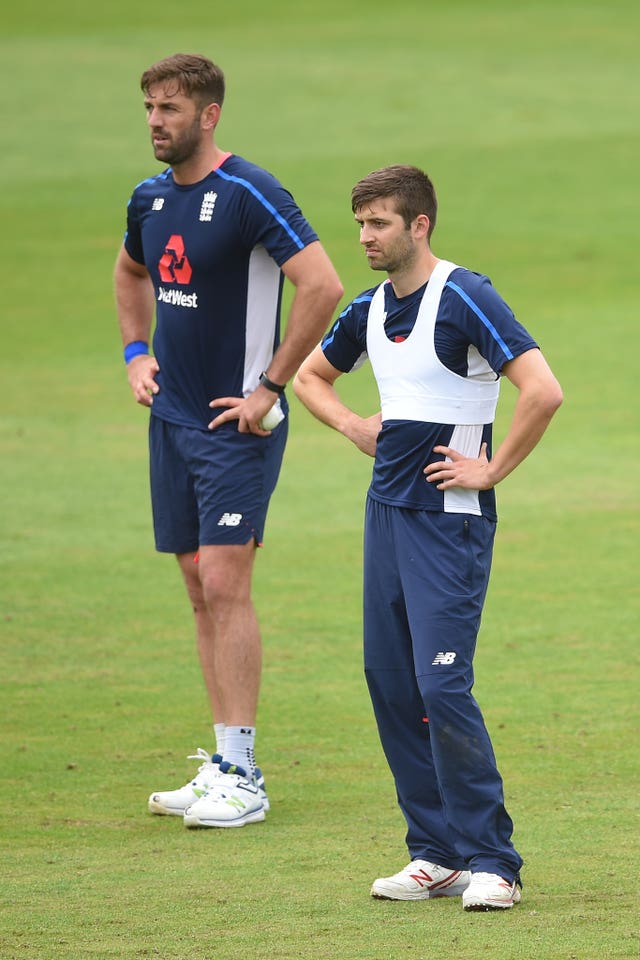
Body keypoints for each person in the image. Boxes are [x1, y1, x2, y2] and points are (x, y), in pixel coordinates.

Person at [293, 165, 562, 909]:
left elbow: (543, 389)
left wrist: (492, 468)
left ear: (420, 225)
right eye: (360, 224)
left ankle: (494, 863)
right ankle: (436, 852)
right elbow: (311, 379)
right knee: (392, 683)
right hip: (386, 516)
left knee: (442, 684)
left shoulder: (465, 295)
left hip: (449, 523)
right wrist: (353, 426)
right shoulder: (369, 308)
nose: (365, 238)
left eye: (379, 223)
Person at [114, 53, 343, 829]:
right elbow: (130, 272)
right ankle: (221, 761)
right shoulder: (148, 197)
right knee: (194, 584)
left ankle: (244, 777)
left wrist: (271, 386)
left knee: (224, 584)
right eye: (149, 106)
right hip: (171, 420)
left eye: (169, 108)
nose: (155, 120)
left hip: (234, 426)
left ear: (208, 115)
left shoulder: (250, 192)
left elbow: (322, 283)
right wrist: (134, 352)